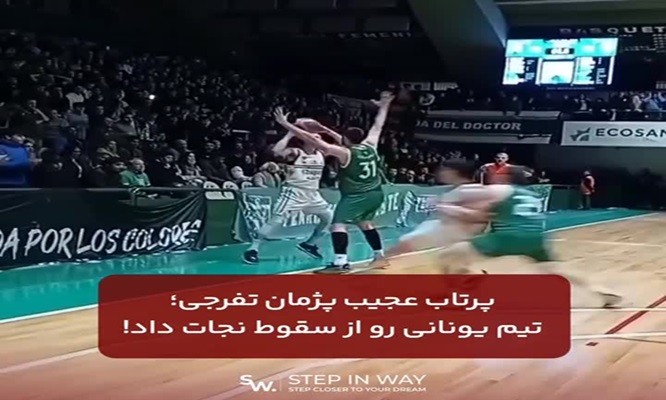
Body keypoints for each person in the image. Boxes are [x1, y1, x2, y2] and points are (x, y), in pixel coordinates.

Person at [434, 166, 622, 308]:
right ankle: (600, 290)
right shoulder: (531, 194)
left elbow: (474, 204)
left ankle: (461, 293)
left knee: (448, 255)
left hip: (508, 235)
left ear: (506, 177)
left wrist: (447, 207)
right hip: (536, 237)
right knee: (556, 269)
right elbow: (491, 214)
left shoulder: (501, 190)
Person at [273, 91, 395, 273]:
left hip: (356, 195)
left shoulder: (345, 153)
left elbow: (312, 140)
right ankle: (379, 256)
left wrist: (286, 124)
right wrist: (385, 105)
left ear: (346, 140)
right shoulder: (370, 145)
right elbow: (378, 124)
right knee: (365, 223)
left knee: (337, 225)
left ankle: (340, 263)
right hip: (375, 194)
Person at [242, 125, 333, 264]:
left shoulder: (321, 154)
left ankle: (309, 244)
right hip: (293, 193)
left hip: (313, 194)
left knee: (329, 218)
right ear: (306, 140)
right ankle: (253, 249)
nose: (318, 140)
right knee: (274, 222)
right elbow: (276, 151)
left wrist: (325, 129)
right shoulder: (296, 153)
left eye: (319, 138)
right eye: (315, 137)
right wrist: (289, 134)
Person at [372, 160, 489, 268]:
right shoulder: (456, 190)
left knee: (407, 245)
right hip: (446, 230)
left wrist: (451, 210)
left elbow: (482, 216)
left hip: (455, 232)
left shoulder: (473, 191)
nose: (441, 173)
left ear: (454, 172)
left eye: (445, 170)